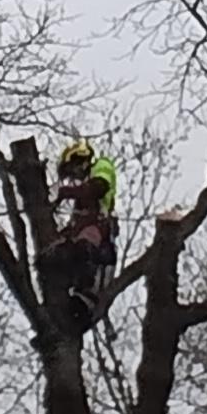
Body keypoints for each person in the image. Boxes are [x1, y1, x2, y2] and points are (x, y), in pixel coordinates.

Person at [44, 138, 119, 331]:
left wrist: (65, 192)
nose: (75, 177)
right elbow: (72, 228)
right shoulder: (80, 209)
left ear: (83, 160)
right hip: (82, 252)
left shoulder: (101, 167)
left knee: (85, 248)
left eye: (74, 169)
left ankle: (80, 307)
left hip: (98, 238)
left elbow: (99, 187)